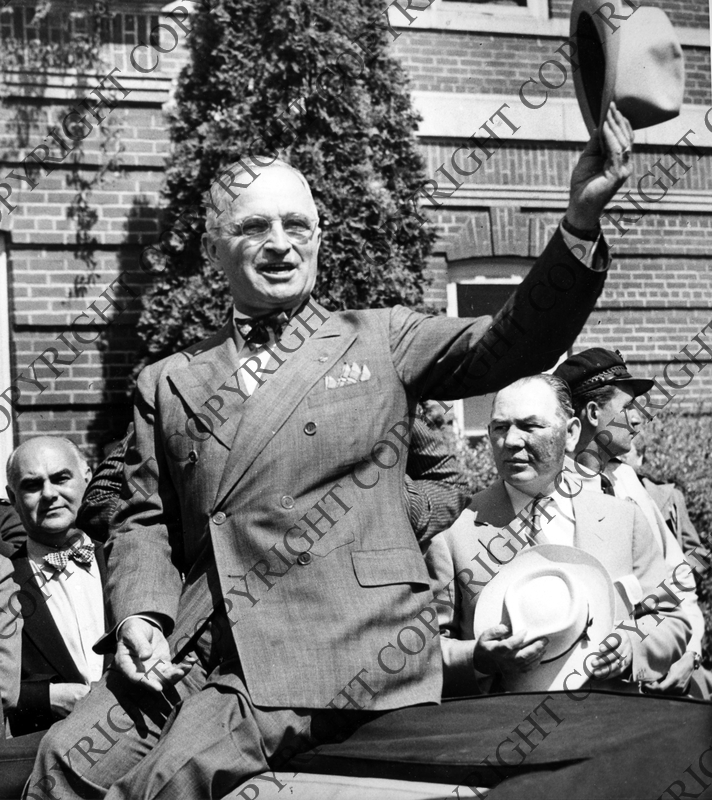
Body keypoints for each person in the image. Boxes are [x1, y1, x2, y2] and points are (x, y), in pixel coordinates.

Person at [30, 103, 635, 799]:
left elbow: (510, 343)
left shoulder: (379, 340)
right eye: (254, 226)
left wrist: (580, 222)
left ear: (320, 239)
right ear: (212, 248)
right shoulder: (167, 381)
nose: (280, 243)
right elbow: (143, 518)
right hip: (195, 643)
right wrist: (141, 617)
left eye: (298, 225)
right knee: (62, 764)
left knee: (170, 783)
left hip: (334, 645)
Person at [423, 375, 690, 697]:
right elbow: (422, 651)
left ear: (572, 433)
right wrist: (476, 658)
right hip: (501, 729)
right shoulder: (453, 535)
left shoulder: (623, 518)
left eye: (530, 426)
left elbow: (670, 618)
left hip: (609, 724)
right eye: (499, 427)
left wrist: (631, 648)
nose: (510, 441)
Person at [554, 348, 708, 697]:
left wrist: (689, 651)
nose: (639, 420)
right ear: (592, 413)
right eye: (627, 409)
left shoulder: (628, 480)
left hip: (665, 671)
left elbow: (676, 581)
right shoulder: (553, 493)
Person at [76, 417, 471, 547]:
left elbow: (446, 480)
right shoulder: (195, 385)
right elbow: (101, 501)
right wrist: (205, 530)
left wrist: (390, 506)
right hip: (230, 618)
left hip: (359, 615)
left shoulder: (370, 376)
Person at [5, 437, 107, 736]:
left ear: (86, 479)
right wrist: (46, 697)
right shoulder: (4, 580)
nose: (49, 494)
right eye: (32, 485)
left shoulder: (129, 561)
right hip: (45, 759)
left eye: (61, 478)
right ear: (13, 498)